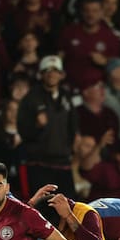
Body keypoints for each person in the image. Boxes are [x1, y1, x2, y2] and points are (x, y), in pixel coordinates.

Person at [17, 55, 78, 197]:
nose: (52, 74)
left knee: (69, 206)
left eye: (55, 70)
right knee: (41, 208)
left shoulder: (66, 97)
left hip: (63, 161)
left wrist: (75, 139)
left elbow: (73, 123)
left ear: (61, 74)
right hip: (39, 163)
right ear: (41, 74)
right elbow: (23, 130)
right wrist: (36, 126)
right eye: (47, 70)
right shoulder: (31, 98)